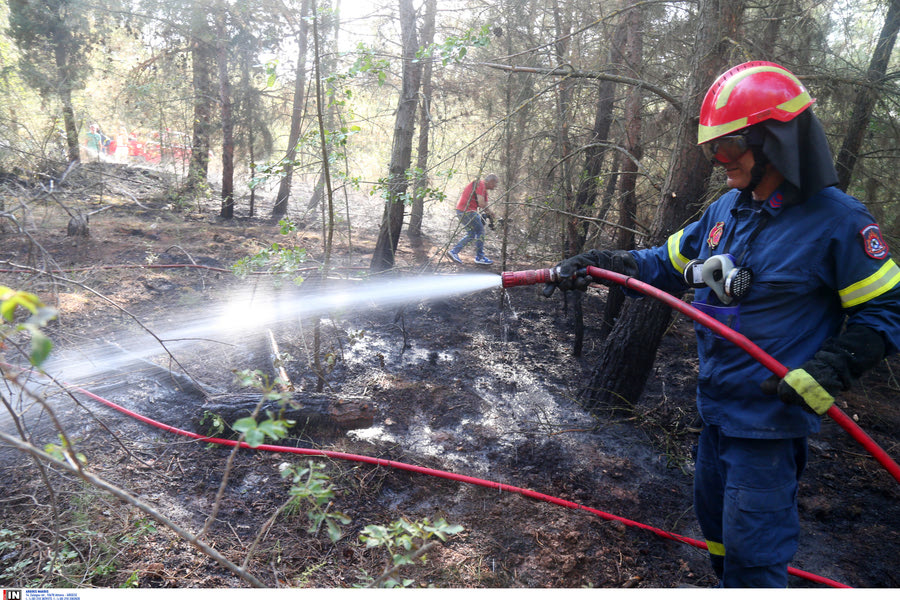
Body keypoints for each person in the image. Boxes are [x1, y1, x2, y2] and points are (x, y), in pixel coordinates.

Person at [544, 61, 900, 587]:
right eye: (712, 150)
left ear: (775, 141)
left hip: (768, 428)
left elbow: (885, 311)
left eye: (728, 147)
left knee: (753, 562)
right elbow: (661, 263)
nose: (718, 162)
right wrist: (599, 262)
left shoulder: (839, 223)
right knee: (717, 535)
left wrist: (829, 371)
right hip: (714, 416)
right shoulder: (725, 212)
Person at [448, 173, 499, 265]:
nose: (496, 186)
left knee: (471, 234)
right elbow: (482, 204)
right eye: (495, 183)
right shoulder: (480, 184)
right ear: (491, 181)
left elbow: (485, 206)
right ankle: (480, 257)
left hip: (461, 211)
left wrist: (493, 217)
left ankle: (454, 252)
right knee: (481, 232)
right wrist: (491, 214)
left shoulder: (484, 190)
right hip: (467, 211)